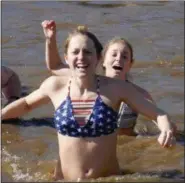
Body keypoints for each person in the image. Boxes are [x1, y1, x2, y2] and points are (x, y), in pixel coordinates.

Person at [2, 24, 176, 181]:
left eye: (87, 52)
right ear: (67, 57)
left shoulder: (117, 88)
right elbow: (25, 104)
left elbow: (158, 113)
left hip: (108, 179)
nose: (81, 57)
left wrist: (166, 128)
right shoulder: (54, 86)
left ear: (98, 58)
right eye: (75, 52)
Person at [41, 20, 155, 136]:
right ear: (103, 60)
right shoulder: (86, 79)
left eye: (124, 56)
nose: (118, 59)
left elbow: (159, 120)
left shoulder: (140, 94)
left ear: (130, 64)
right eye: (114, 54)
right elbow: (55, 66)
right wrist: (50, 39)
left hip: (126, 146)